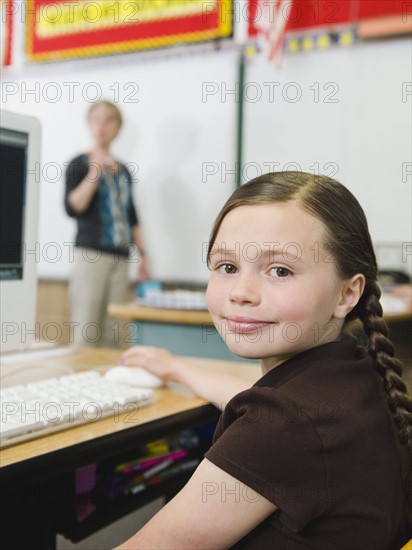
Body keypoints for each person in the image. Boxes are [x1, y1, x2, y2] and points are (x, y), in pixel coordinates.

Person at [116, 172, 412, 549]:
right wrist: (176, 368)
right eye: (227, 267)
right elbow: (264, 405)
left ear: (347, 293)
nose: (241, 292)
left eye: (280, 271)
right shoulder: (357, 377)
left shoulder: (282, 428)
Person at [64, 100, 149, 347]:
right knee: (86, 331)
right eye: (96, 119)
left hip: (121, 257)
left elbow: (131, 215)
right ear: (89, 125)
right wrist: (94, 172)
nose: (102, 126)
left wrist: (143, 256)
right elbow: (73, 207)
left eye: (108, 120)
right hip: (91, 255)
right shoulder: (78, 163)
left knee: (112, 335)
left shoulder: (123, 171)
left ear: (118, 128)